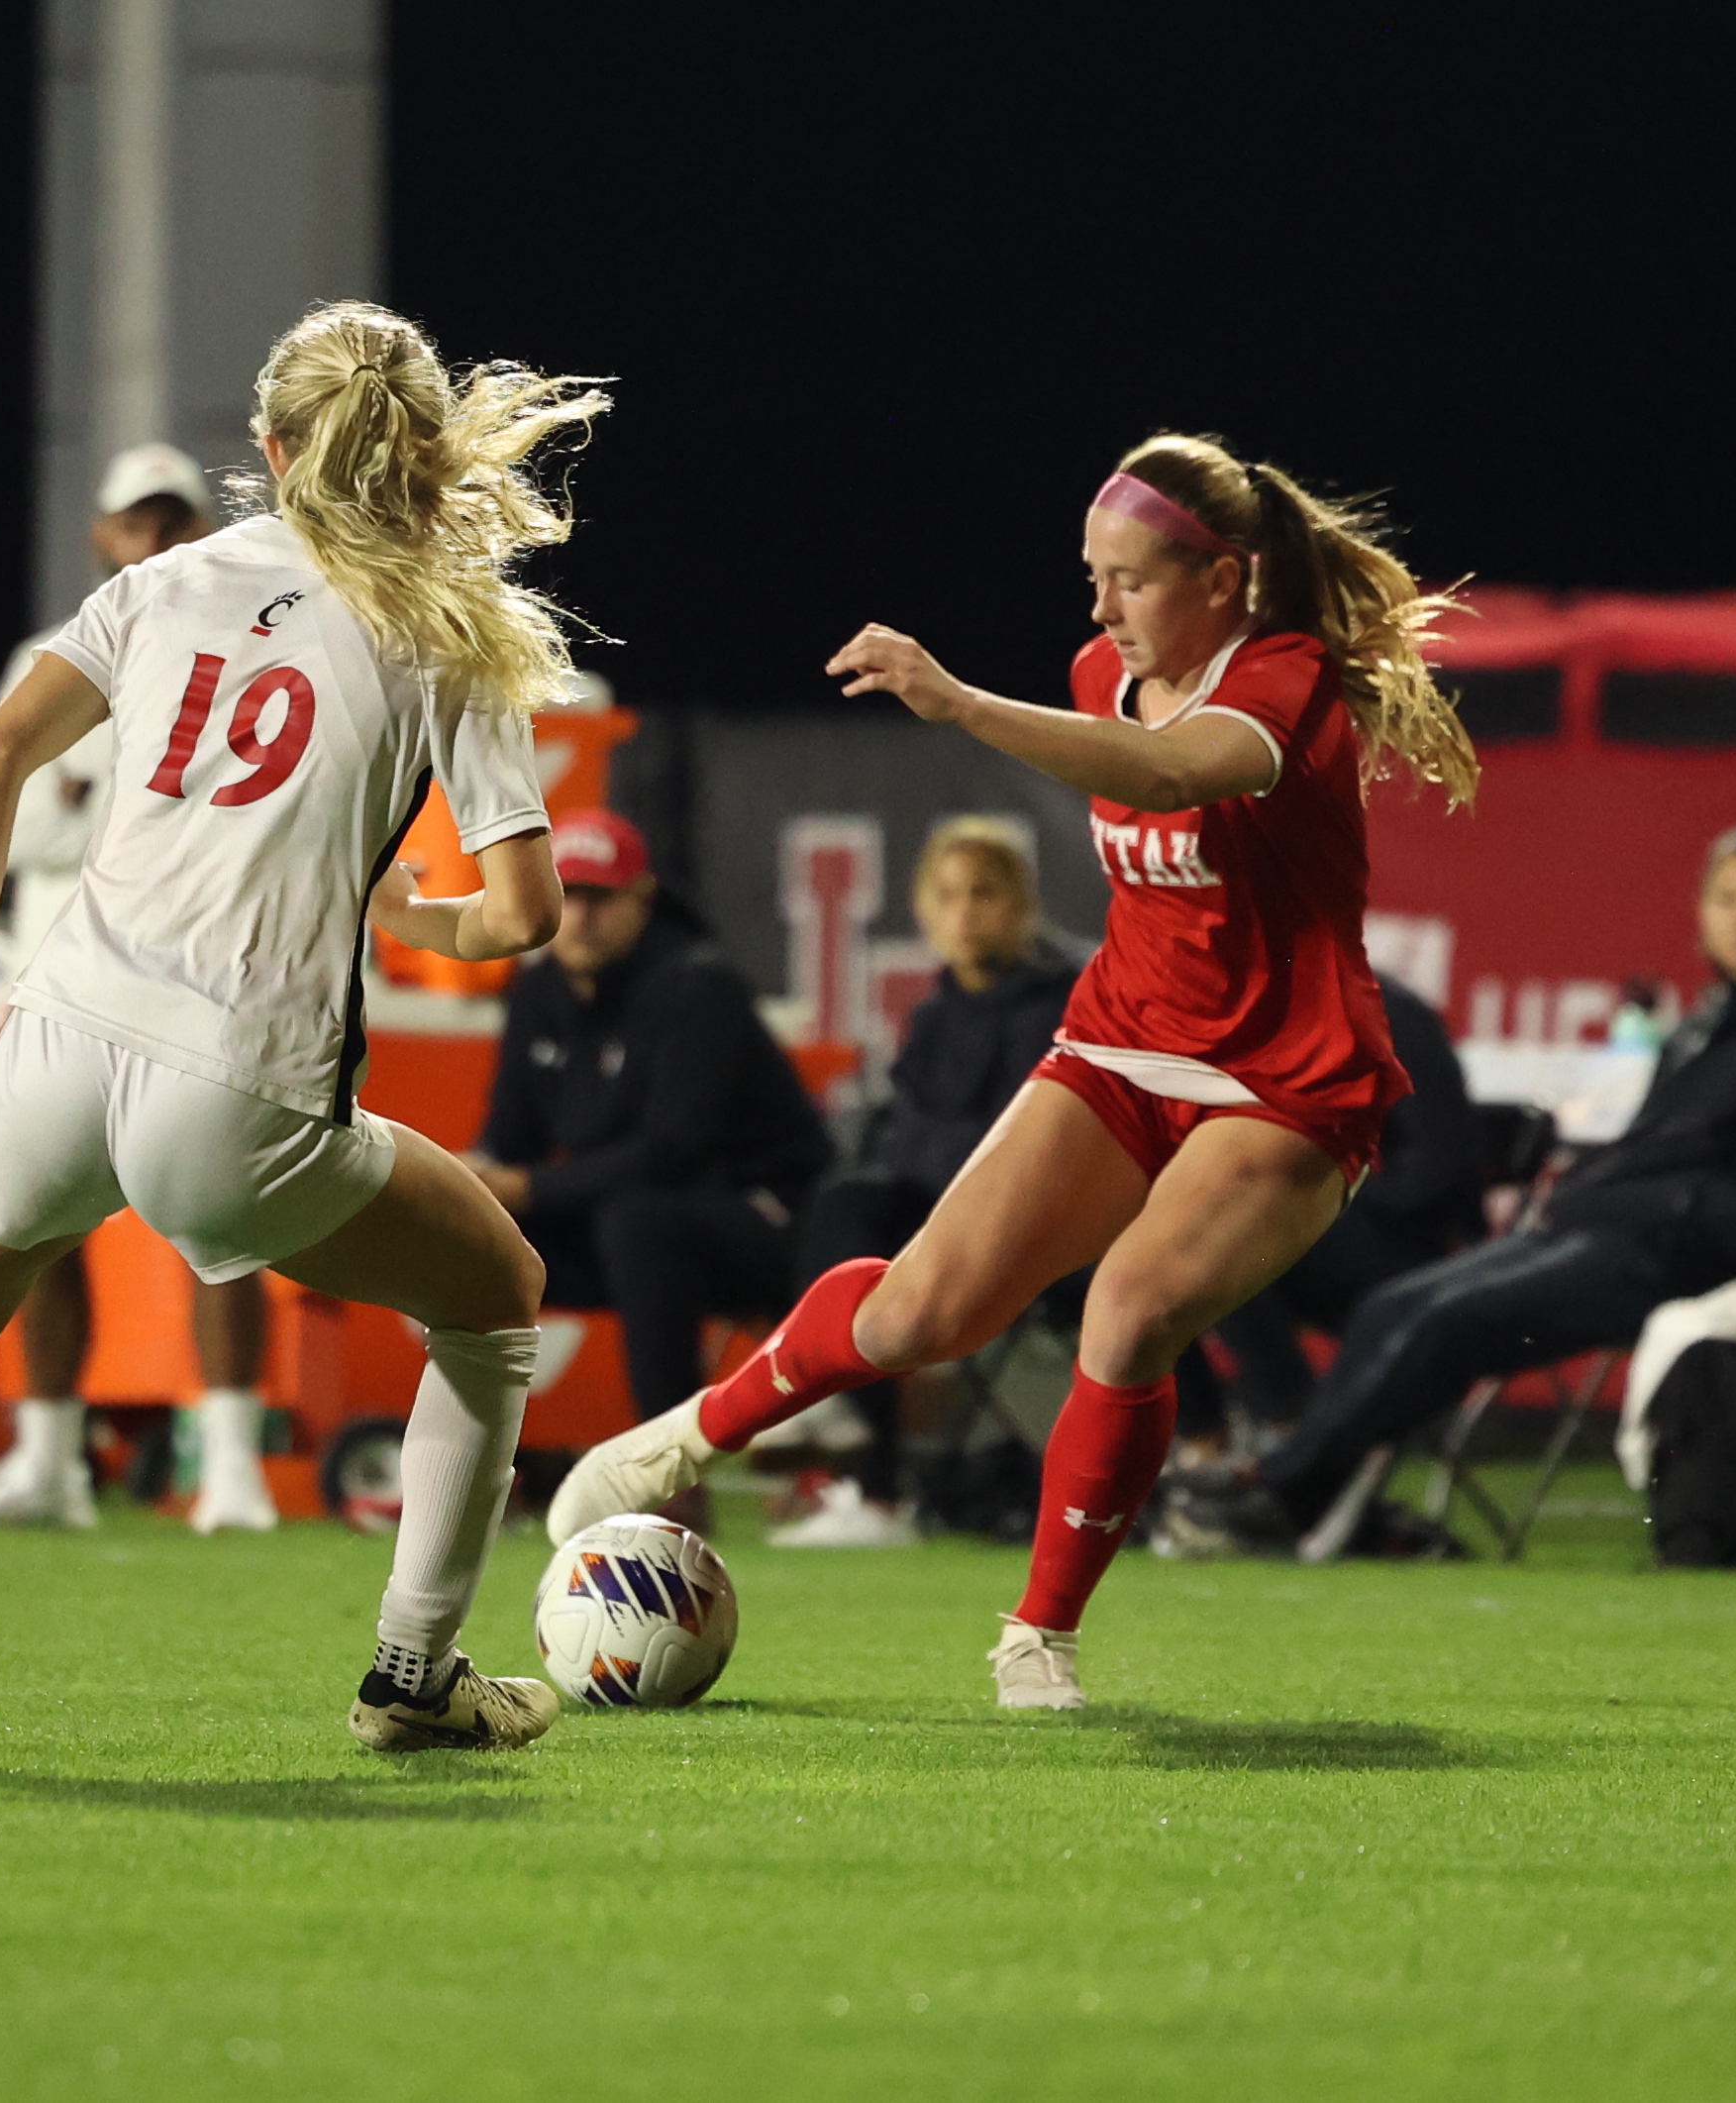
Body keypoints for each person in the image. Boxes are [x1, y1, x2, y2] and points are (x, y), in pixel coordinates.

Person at [0, 300, 599, 1755]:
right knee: (496, 1287)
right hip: (238, 1078)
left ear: (268, 448)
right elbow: (524, 913)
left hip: (61, 1035)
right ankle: (412, 1672)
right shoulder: (448, 630)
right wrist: (414, 920)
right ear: (431, 456)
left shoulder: (167, 581)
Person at [546, 431, 1479, 1709]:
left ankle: (1038, 1635)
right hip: (1119, 1038)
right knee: (912, 1315)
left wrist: (959, 703)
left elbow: (1163, 772)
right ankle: (682, 1437)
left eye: (1130, 577)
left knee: (1128, 1306)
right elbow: (1133, 756)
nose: (1098, 607)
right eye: (1090, 575)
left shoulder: (1287, 676)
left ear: (1222, 577)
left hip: (1285, 1075)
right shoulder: (1103, 666)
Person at [1180, 828, 1736, 1558]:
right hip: (1606, 1226)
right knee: (1400, 1303)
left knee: (1448, 1318)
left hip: (1675, 1253)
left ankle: (1284, 1493)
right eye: (1726, 898)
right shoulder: (1709, 1016)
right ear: (1700, 912)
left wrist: (1652, 1207)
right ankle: (1304, 1489)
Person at [0, 441, 288, 1533]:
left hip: (190, 971)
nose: (157, 539)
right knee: (31, 1222)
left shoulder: (242, 642)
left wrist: (98, 788)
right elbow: (18, 808)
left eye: (173, 520)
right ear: (103, 534)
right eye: (138, 522)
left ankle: (230, 1460)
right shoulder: (56, 648)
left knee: (218, 1220)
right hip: (58, 972)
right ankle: (48, 1456)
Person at [767, 815, 1079, 1547]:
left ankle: (859, 1448)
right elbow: (913, 1140)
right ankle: (859, 1458)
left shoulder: (1063, 1004)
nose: (965, 912)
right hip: (937, 1220)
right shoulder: (938, 1009)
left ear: (1021, 903)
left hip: (1029, 1233)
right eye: (947, 895)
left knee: (874, 1222)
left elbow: (1025, 1146)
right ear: (922, 909)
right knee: (845, 1204)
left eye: (984, 893)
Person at [469, 806, 832, 1428]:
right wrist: (468, 1186)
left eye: (599, 898)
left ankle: (667, 1474)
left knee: (638, 1224)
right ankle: (492, 1456)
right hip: (627, 1217)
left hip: (769, 1218)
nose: (580, 918)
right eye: (568, 895)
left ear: (641, 898)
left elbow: (673, 1152)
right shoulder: (536, 992)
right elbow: (509, 1136)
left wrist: (526, 1189)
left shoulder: (697, 986)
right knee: (475, 1242)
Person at [1199, 970, 1480, 1437]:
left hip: (1409, 1252)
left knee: (1215, 1239)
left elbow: (1439, 1170)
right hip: (1311, 1239)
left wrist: (1314, 1196)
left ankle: (1290, 1426)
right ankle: (1199, 1440)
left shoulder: (1387, 1017)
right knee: (1147, 1247)